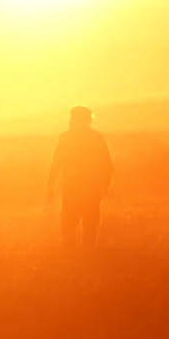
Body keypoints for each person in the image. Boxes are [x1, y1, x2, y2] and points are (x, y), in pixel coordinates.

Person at [47, 106, 113, 249]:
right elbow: (107, 164)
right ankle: (82, 259)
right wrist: (105, 185)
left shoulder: (66, 138)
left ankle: (73, 260)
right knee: (87, 225)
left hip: (76, 189)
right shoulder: (96, 138)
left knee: (72, 225)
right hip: (88, 190)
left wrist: (50, 186)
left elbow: (56, 163)